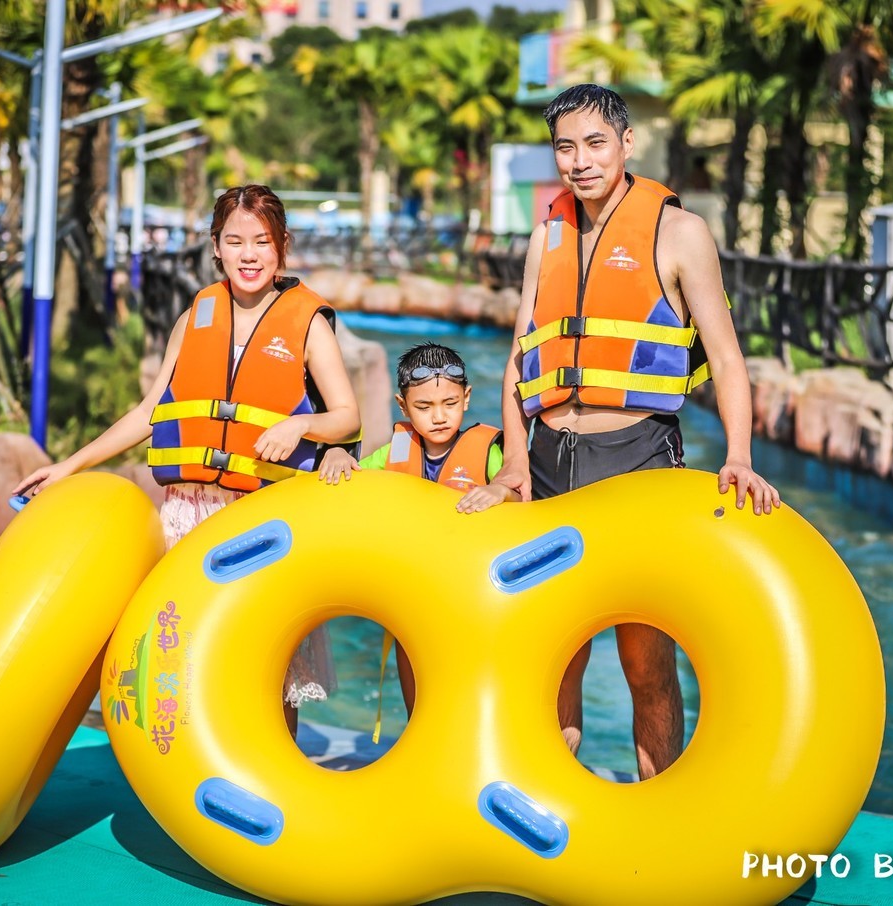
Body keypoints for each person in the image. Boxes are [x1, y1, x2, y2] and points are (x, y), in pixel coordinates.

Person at [489, 84, 781, 780]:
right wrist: (512, 465)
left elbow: (728, 359)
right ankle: (554, 801)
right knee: (552, 647)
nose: (580, 161)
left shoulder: (678, 233)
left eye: (595, 143)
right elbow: (519, 362)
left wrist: (738, 455)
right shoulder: (546, 236)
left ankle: (659, 803)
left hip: (638, 454)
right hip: (550, 455)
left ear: (626, 144)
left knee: (643, 652)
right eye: (566, 146)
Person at [12, 184, 362, 739]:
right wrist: (68, 466)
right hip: (188, 513)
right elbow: (151, 411)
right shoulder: (197, 314)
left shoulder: (307, 322)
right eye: (235, 241)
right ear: (216, 247)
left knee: (272, 660)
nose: (249, 255)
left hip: (263, 514)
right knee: (191, 650)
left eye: (262, 242)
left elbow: (345, 414)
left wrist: (300, 425)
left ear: (283, 246)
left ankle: (274, 768)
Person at [318, 342, 517, 713]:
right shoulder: (396, 450)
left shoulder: (487, 451)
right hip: (412, 598)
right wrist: (337, 452)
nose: (439, 416)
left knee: (466, 691)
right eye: (424, 407)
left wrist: (500, 489)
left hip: (466, 598)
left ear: (467, 398)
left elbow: (520, 498)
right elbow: (356, 476)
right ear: (403, 405)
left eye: (450, 404)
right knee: (419, 698)